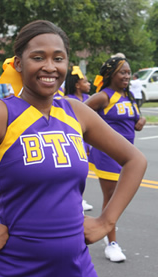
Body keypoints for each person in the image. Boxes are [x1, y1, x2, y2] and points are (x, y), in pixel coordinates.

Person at [0, 20, 147, 277]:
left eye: (58, 58)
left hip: (76, 268)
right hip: (16, 272)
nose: (50, 66)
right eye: (38, 57)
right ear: (18, 64)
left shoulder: (75, 111)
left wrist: (107, 221)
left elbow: (135, 160)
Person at [85, 56, 146, 263]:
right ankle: (111, 243)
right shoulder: (103, 96)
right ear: (111, 75)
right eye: (123, 72)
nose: (127, 76)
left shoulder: (127, 96)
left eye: (128, 72)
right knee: (111, 198)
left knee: (118, 198)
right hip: (108, 155)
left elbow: (137, 118)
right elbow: (79, 113)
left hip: (126, 157)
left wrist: (142, 120)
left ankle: (103, 232)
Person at [64, 65, 93, 211]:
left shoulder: (89, 99)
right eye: (85, 82)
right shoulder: (68, 100)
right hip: (74, 141)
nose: (89, 84)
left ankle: (80, 198)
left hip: (87, 142)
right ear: (77, 85)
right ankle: (74, 199)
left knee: (83, 171)